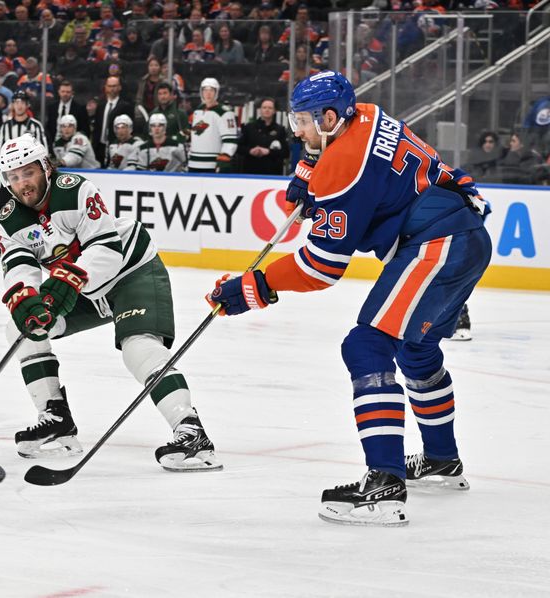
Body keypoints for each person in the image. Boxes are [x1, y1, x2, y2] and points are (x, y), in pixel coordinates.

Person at [207, 71, 491, 526]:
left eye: (303, 121)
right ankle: (441, 459)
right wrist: (305, 175)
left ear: (329, 117)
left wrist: (253, 287)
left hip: (437, 244)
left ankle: (385, 483)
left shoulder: (343, 166)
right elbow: (325, 153)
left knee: (366, 346)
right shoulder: (367, 114)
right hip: (467, 235)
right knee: (417, 351)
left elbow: (321, 268)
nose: (297, 130)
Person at [0, 134, 222, 471]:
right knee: (22, 328)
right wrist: (25, 298)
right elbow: (18, 266)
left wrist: (65, 282)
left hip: (131, 271)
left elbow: (106, 249)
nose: (22, 183)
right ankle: (56, 419)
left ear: (45, 168)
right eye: (13, 177)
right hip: (85, 289)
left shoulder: (74, 189)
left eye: (28, 172)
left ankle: (191, 432)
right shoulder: (9, 218)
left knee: (139, 348)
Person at [0, 90, 47, 207]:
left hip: (29, 170)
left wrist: (46, 167)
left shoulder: (36, 126)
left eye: (22, 102)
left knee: (32, 203)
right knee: (4, 207)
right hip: (10, 171)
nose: (19, 105)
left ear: (27, 105)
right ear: (12, 105)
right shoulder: (5, 126)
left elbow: (43, 148)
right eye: (16, 102)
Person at [188, 78, 238, 173]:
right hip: (193, 163)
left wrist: (225, 156)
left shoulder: (224, 112)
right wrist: (186, 133)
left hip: (212, 164)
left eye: (211, 90)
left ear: (216, 92)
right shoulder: (198, 110)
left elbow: (230, 140)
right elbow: (199, 132)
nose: (208, 93)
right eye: (205, 90)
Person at [238, 97, 288, 175]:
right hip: (250, 171)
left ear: (275, 111)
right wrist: (250, 151)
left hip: (272, 173)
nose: (267, 110)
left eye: (270, 108)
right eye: (264, 107)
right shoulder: (249, 127)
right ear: (260, 110)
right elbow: (239, 148)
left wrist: (269, 152)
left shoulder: (280, 130)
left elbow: (286, 153)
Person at [93, 76, 134, 166]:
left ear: (120, 87)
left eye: (114, 86)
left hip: (117, 145)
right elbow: (97, 127)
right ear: (105, 87)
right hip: (100, 146)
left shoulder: (126, 106)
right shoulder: (101, 105)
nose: (112, 89)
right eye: (109, 86)